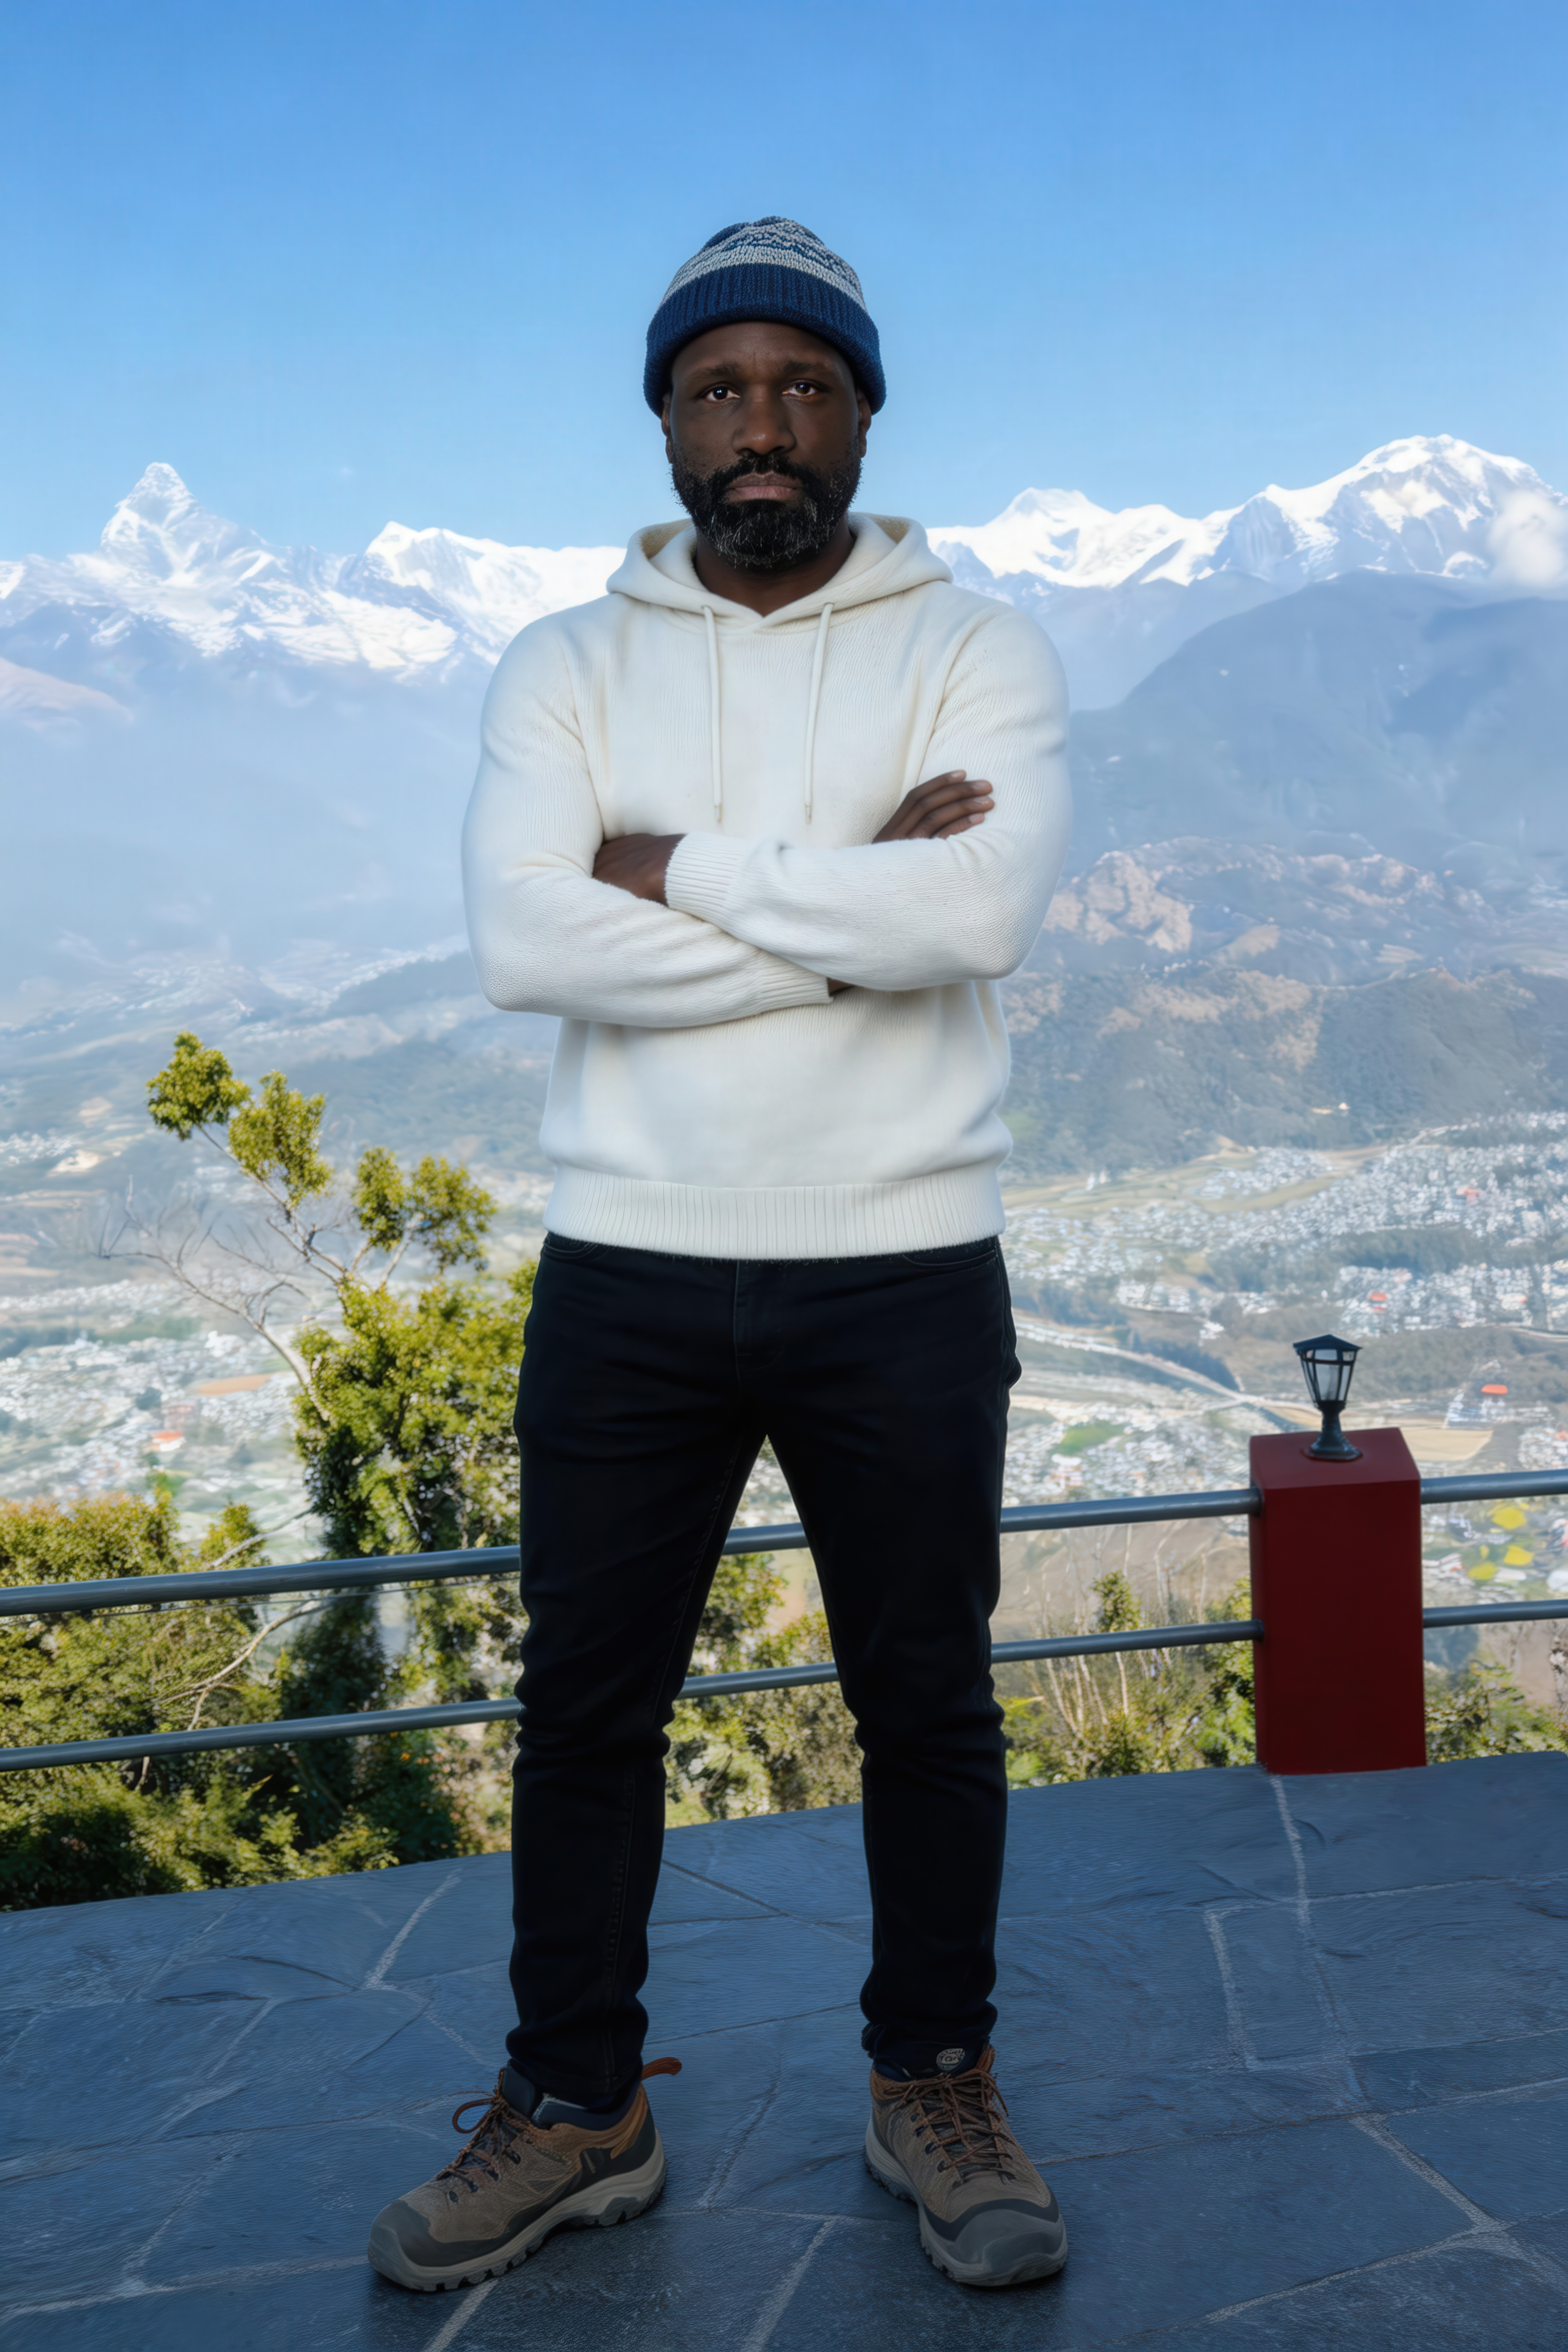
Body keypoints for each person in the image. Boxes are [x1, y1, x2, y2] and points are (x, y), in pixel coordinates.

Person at [369, 216, 1071, 2296]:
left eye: (803, 386)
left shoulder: (983, 646)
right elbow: (523, 942)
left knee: (926, 1698)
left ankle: (931, 2074)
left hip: (906, 1259)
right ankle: (580, 2102)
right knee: (588, 1705)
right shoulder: (565, 664)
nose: (761, 427)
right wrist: (850, 910)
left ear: (863, 410)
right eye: (718, 389)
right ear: (665, 420)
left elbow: (982, 919)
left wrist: (668, 879)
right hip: (632, 1267)